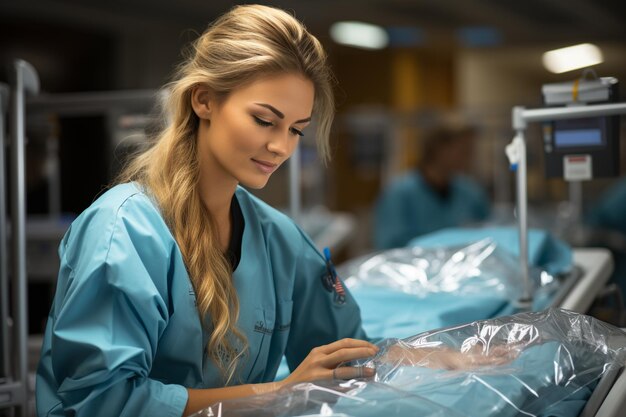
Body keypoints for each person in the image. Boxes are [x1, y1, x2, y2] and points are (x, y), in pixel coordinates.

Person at [35, 6, 378, 417]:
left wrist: (452, 358)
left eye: (295, 129)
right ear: (204, 100)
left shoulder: (277, 238)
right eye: (264, 120)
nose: (282, 147)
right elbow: (102, 401)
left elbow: (351, 354)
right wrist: (277, 392)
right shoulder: (123, 232)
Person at [373, 122, 490, 249]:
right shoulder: (400, 194)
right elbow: (390, 245)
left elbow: (487, 234)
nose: (470, 157)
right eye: (464, 150)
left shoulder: (470, 193)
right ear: (440, 149)